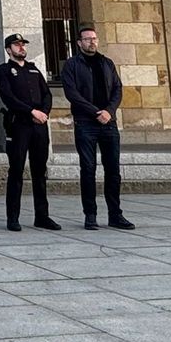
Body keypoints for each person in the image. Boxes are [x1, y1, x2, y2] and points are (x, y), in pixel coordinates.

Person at [60, 25, 134, 231]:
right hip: (86, 123)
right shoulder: (72, 65)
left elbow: (118, 89)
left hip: (109, 123)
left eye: (94, 38)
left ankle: (115, 214)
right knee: (88, 169)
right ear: (79, 43)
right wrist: (95, 112)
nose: (91, 42)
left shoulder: (106, 63)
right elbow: (72, 94)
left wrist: (109, 111)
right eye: (87, 39)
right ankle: (90, 215)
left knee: (113, 170)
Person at [0, 33, 59, 232]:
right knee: (16, 171)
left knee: (40, 171)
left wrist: (44, 113)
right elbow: (8, 97)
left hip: (39, 126)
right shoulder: (4, 70)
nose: (21, 47)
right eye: (16, 45)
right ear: (8, 49)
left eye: (23, 44)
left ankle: (42, 216)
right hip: (19, 125)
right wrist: (31, 111)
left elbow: (46, 93)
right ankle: (13, 217)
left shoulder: (33, 69)